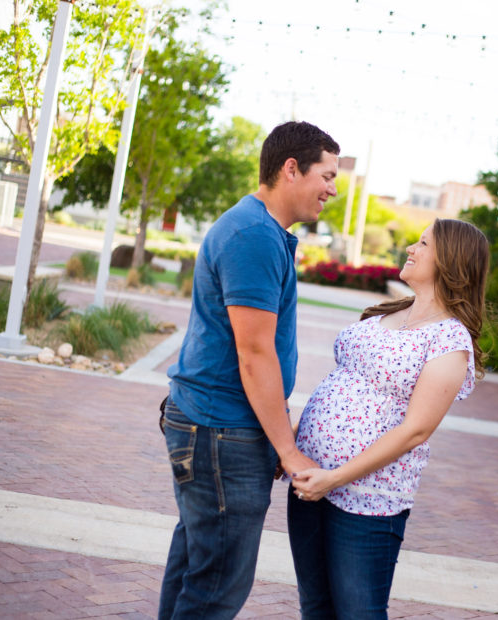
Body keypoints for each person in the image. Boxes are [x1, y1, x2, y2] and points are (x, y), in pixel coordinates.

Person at [158, 121, 340, 619]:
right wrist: (287, 447)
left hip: (220, 427)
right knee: (216, 588)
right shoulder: (254, 236)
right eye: (326, 175)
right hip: (222, 432)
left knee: (197, 570)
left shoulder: (260, 230)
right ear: (290, 168)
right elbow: (255, 355)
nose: (333, 189)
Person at [287, 218, 490, 618]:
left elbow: (416, 430)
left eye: (422, 243)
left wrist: (335, 478)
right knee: (315, 607)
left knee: (359, 611)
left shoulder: (449, 340)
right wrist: (292, 442)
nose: (411, 249)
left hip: (367, 500)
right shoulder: (389, 312)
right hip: (311, 480)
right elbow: (343, 383)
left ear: (450, 260)